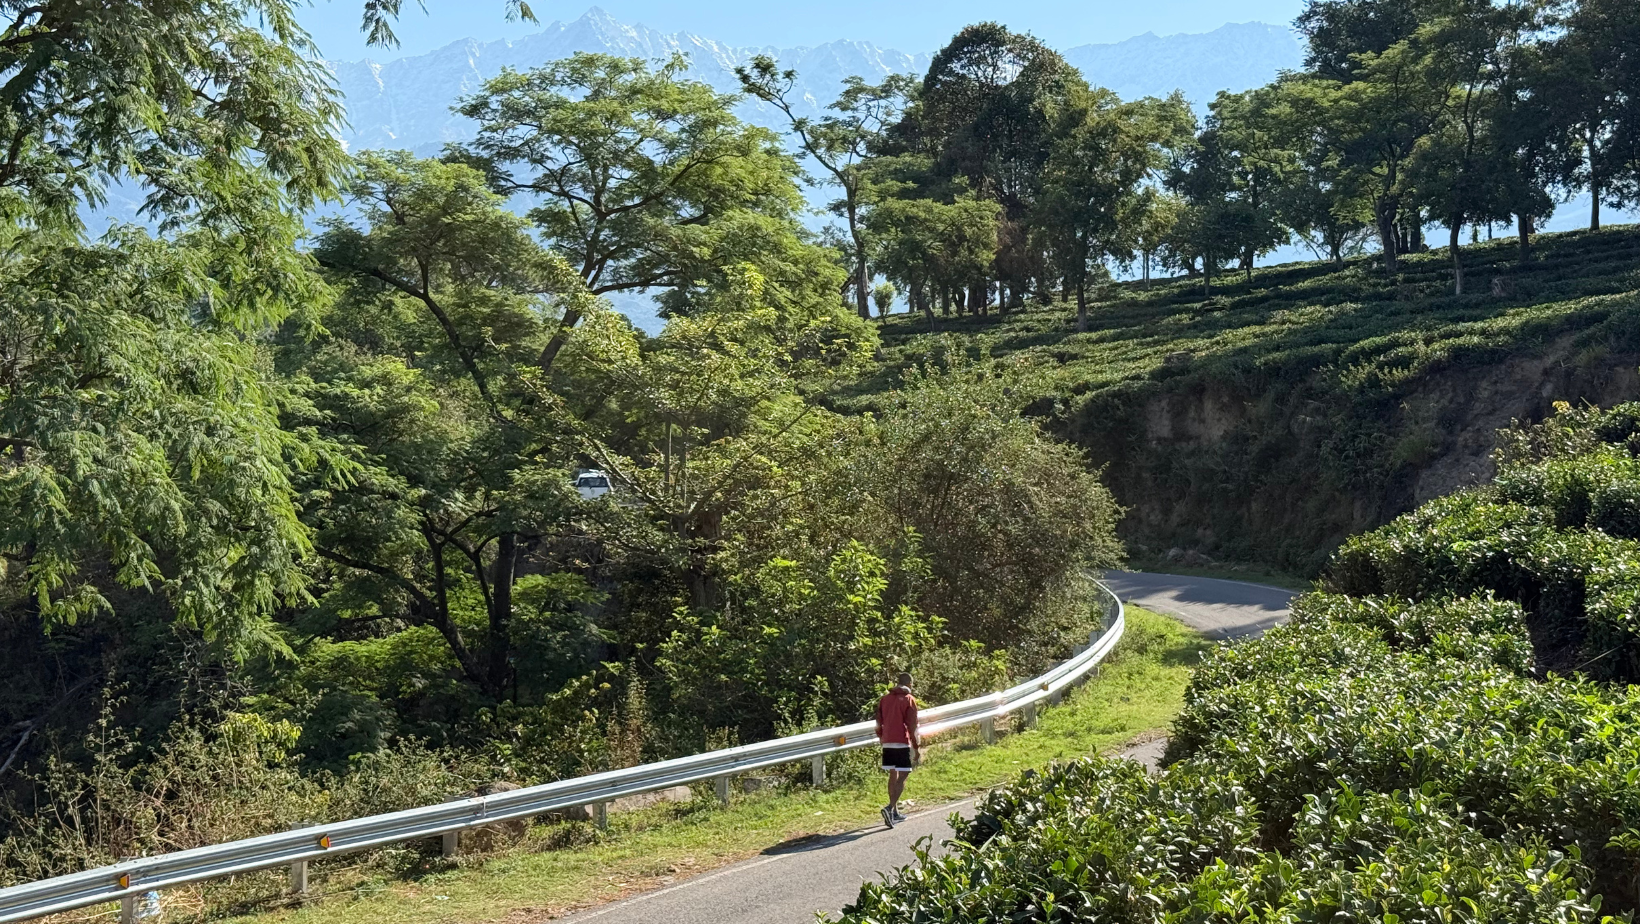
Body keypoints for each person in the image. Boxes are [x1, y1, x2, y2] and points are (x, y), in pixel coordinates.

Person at [875, 671, 920, 828]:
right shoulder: (909, 700)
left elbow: (878, 721)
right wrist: (916, 746)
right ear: (909, 684)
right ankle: (889, 807)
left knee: (892, 774)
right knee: (904, 774)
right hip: (901, 741)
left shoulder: (885, 699)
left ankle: (894, 812)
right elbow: (912, 725)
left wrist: (882, 736)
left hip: (887, 741)